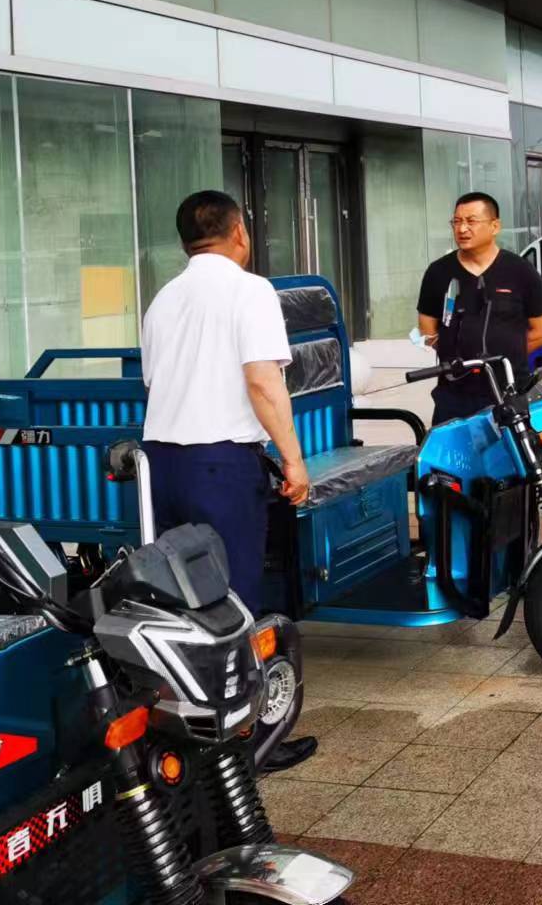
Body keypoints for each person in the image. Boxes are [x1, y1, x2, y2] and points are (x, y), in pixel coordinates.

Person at [140, 190, 314, 770]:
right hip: (220, 463)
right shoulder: (250, 290)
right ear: (240, 232)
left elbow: (154, 381)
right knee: (234, 603)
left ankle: (188, 736)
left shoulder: (163, 299)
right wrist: (293, 460)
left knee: (181, 604)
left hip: (162, 464)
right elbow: (263, 381)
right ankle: (245, 747)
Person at [417, 192, 542, 425]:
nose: (462, 229)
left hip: (508, 392)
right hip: (453, 396)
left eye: (471, 221)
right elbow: (427, 330)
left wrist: (500, 358)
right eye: (457, 221)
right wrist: (459, 354)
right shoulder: (438, 273)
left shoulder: (521, 272)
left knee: (511, 447)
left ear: (495, 226)